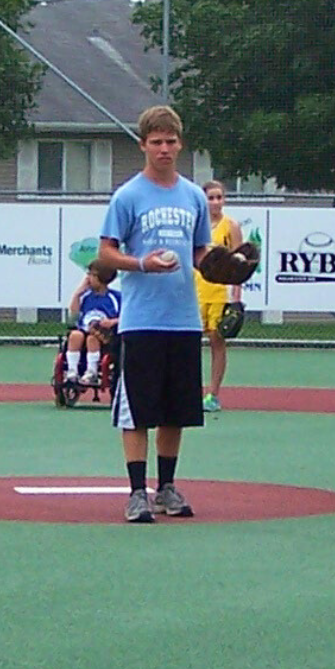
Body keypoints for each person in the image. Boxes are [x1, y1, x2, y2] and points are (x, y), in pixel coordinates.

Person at [97, 105, 212, 523]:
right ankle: (136, 492)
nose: (164, 149)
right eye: (156, 141)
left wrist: (225, 265)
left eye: (171, 141)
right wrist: (143, 263)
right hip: (141, 319)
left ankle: (166, 487)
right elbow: (105, 252)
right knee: (138, 410)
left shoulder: (194, 196)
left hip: (182, 318)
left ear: (180, 144)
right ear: (143, 144)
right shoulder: (128, 196)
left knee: (175, 409)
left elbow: (200, 253)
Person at [195, 179, 245, 412]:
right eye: (211, 197)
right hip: (196, 290)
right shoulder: (197, 224)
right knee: (188, 342)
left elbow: (240, 264)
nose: (216, 202)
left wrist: (236, 297)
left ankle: (212, 394)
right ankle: (187, 391)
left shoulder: (231, 226)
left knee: (217, 340)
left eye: (219, 197)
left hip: (220, 292)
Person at [65, 259, 120, 383]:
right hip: (84, 330)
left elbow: (125, 316)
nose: (88, 277)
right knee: (75, 335)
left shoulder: (115, 297)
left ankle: (92, 371)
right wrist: (78, 294)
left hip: (104, 335)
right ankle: (72, 371)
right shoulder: (86, 295)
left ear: (102, 277)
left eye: (91, 274)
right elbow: (74, 314)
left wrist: (112, 322)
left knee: (92, 338)